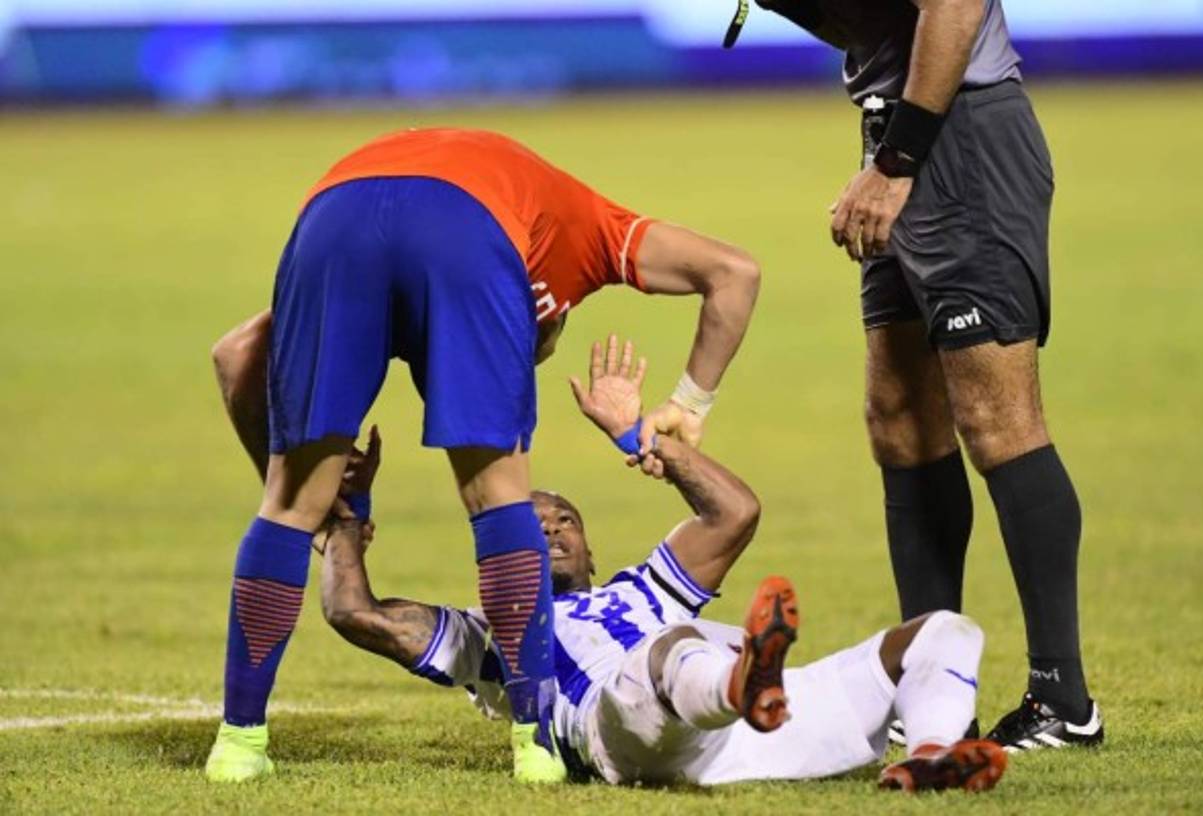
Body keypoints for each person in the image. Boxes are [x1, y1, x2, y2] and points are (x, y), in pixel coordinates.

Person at [204, 128, 762, 783]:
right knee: (499, 499)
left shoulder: (529, 222)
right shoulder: (594, 233)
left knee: (285, 506)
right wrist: (687, 407)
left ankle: (237, 744)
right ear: (545, 322)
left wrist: (308, 506)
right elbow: (735, 270)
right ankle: (535, 745)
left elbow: (237, 355)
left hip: (333, 209)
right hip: (469, 224)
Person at [313, 336, 1008, 793]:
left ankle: (931, 756)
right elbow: (354, 612)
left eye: (565, 520)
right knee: (670, 648)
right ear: (497, 551)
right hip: (624, 733)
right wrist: (347, 516)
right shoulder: (490, 638)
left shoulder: (644, 589)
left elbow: (734, 513)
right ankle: (743, 680)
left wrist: (642, 437)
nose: (551, 525)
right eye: (529, 519)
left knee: (944, 630)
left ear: (590, 550)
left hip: (748, 737)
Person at [742, 0, 1102, 749]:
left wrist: (898, 161)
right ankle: (932, 689)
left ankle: (1063, 700)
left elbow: (956, 5)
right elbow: (873, 27)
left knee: (996, 420)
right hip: (899, 130)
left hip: (956, 138)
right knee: (900, 418)